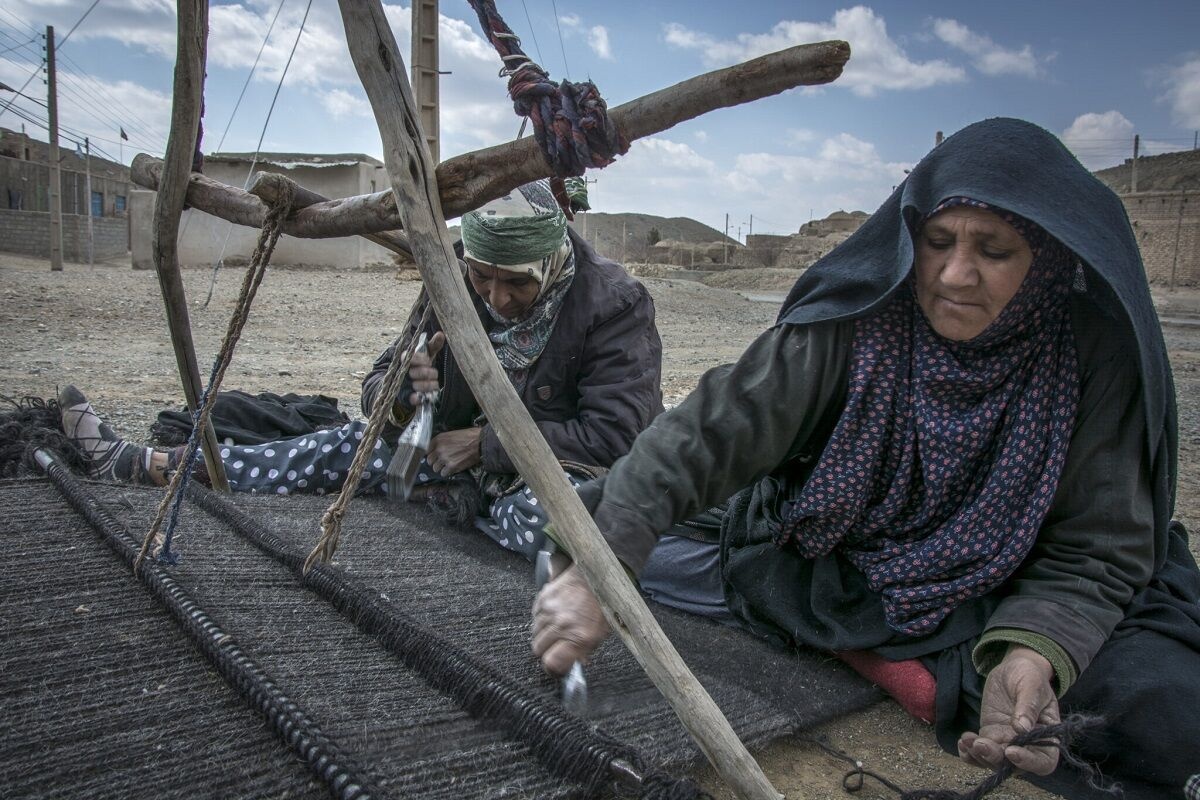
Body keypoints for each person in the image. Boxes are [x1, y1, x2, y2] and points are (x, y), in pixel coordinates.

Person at [531, 118, 1200, 798]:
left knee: (1155, 713)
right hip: (841, 561)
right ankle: (897, 655)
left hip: (1008, 574)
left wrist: (1031, 651)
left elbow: (1098, 545)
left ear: (1048, 258)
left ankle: (935, 658)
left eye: (994, 251)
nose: (954, 274)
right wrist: (599, 569)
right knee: (620, 537)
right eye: (937, 242)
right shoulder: (859, 318)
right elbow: (709, 432)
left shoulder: (1093, 356)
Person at [60, 179, 663, 560]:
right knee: (342, 447)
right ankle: (153, 465)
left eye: (517, 284)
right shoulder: (453, 277)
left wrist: (486, 446)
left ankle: (458, 498)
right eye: (484, 277)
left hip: (543, 471)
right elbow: (379, 383)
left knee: (557, 531)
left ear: (551, 264)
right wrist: (408, 388)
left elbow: (618, 434)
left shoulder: (612, 304)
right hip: (445, 454)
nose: (497, 298)